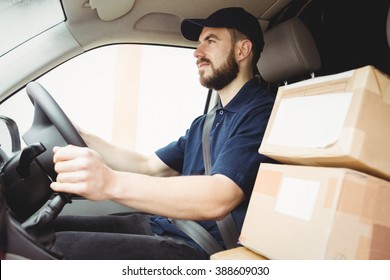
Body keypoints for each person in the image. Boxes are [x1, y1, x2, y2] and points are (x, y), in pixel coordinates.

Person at [51, 7, 276, 260]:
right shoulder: (206, 122)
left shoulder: (263, 113)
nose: (197, 53)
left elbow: (220, 196)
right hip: (165, 226)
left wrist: (109, 182)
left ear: (242, 50)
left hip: (197, 247)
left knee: (56, 249)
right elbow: (148, 165)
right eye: (199, 42)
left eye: (210, 41)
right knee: (47, 232)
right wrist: (79, 134)